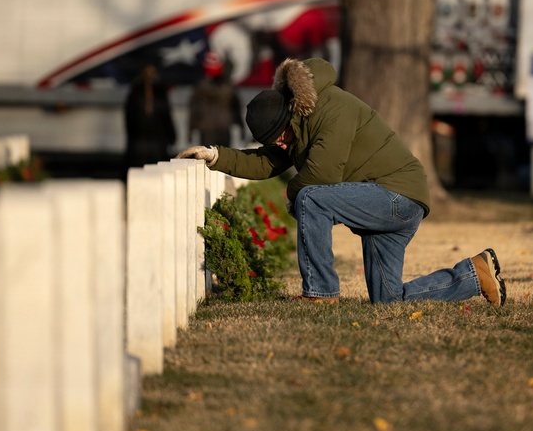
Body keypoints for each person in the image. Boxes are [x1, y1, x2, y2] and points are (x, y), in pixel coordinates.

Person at [176, 57, 506, 305]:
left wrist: (293, 196)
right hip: (384, 200)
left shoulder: (331, 109)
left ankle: (321, 292)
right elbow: (265, 162)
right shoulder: (294, 128)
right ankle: (472, 275)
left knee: (311, 197)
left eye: (279, 137)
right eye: (272, 141)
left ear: (290, 113)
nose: (278, 144)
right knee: (388, 301)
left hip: (396, 196)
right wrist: (216, 156)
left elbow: (323, 176)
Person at [124, 64, 177, 170]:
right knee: (139, 169)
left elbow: (166, 115)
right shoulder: (136, 92)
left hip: (157, 140)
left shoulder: (160, 92)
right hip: (140, 140)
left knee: (156, 169)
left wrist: (171, 135)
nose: (150, 76)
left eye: (152, 72)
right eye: (147, 72)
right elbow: (129, 116)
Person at [188, 51, 243, 147]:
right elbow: (236, 108)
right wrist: (241, 126)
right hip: (221, 128)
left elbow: (194, 111)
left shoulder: (200, 88)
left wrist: (190, 130)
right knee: (224, 159)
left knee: (210, 159)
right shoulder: (227, 88)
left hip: (208, 129)